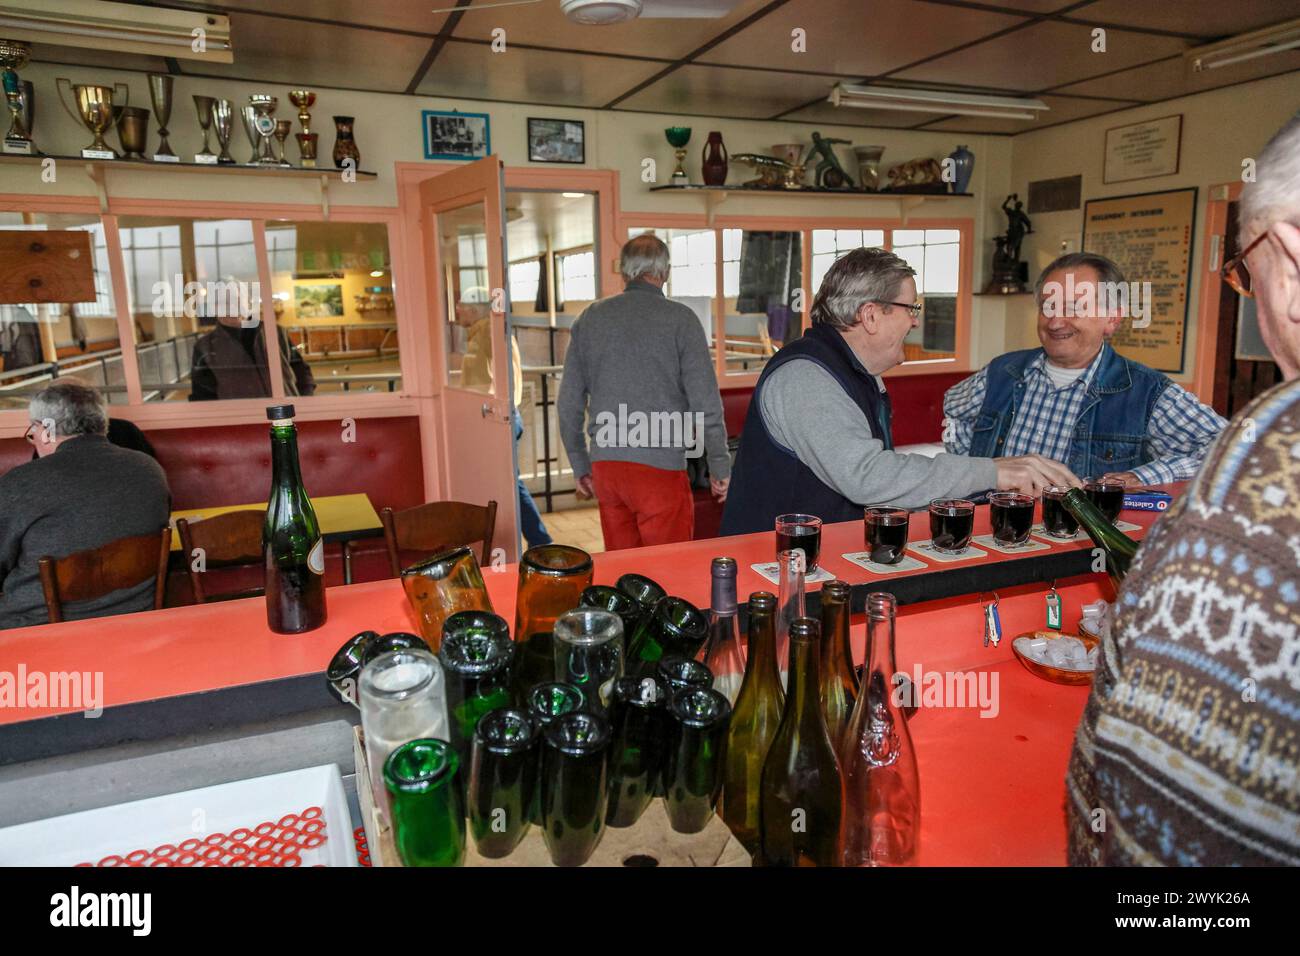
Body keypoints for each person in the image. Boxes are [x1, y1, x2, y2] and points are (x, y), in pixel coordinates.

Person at [1068, 115, 1300, 866]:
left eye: (1244, 272)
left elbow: (1164, 829)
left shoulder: (1259, 471)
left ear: (1290, 264)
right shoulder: (1003, 374)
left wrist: (1129, 481)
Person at [720, 247, 1076, 537]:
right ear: (871, 315)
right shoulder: (805, 377)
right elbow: (867, 477)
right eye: (911, 309)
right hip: (771, 577)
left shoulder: (856, 370)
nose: (916, 321)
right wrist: (992, 472)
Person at [944, 252, 1227, 487]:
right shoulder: (1003, 371)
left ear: (1112, 319)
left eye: (1073, 308)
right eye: (1048, 307)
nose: (1055, 322)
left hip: (1081, 545)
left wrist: (1140, 477)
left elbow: (1234, 449)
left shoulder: (1148, 392)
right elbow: (954, 412)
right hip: (993, 534)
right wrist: (976, 474)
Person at [558, 235, 729, 550]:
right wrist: (720, 465)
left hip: (607, 466)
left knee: (625, 569)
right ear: (664, 272)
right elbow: (705, 403)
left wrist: (580, 464)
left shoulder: (589, 319)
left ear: (624, 273)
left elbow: (568, 403)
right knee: (668, 568)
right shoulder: (682, 320)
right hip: (659, 469)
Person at [0, 381, 171, 629]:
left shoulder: (21, 483)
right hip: (137, 618)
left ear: (46, 428)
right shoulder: (149, 469)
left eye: (33, 431)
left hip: (39, 630)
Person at [189, 313, 315, 400]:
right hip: (241, 426)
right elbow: (202, 395)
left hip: (287, 418)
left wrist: (303, 403)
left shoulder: (275, 332)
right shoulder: (204, 346)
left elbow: (301, 371)